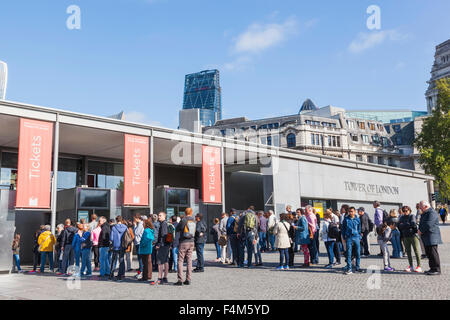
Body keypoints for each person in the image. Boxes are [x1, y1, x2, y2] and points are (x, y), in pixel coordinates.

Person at [418, 200, 442, 275]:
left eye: (421, 207)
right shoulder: (425, 213)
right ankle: (432, 268)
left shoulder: (432, 212)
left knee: (433, 253)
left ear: (425, 206)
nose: (420, 209)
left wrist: (421, 230)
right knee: (429, 253)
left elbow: (429, 224)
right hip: (426, 236)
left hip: (432, 236)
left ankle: (437, 269)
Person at [174, 208, 196, 286]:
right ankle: (188, 279)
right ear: (191, 212)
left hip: (183, 242)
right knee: (189, 260)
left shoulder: (183, 220)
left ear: (185, 212)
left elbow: (177, 229)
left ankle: (180, 280)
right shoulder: (194, 220)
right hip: (192, 241)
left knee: (180, 260)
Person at [398, 205, 423, 273]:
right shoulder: (402, 217)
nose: (405, 212)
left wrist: (404, 225)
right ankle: (411, 266)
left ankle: (419, 266)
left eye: (406, 211)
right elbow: (399, 225)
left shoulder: (412, 216)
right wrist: (406, 225)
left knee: (416, 251)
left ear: (409, 210)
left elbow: (413, 224)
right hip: (405, 236)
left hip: (413, 235)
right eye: (403, 211)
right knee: (408, 252)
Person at [151, 212, 170, 285]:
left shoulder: (163, 224)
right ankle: (165, 277)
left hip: (163, 245)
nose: (159, 217)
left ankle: (160, 278)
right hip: (166, 245)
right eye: (158, 215)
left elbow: (163, 235)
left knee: (160, 262)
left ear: (164, 216)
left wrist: (159, 244)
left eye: (160, 215)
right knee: (165, 261)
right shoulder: (165, 223)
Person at [342, 207, 362, 274]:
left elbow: (359, 229)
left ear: (354, 212)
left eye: (352, 211)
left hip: (356, 237)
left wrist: (359, 237)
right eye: (349, 211)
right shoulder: (346, 219)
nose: (351, 213)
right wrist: (344, 237)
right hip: (349, 237)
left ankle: (357, 268)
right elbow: (343, 229)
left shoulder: (357, 219)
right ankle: (349, 268)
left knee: (358, 253)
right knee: (349, 253)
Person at [109, 216, 128, 281]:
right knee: (121, 260)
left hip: (115, 246)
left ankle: (111, 274)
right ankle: (121, 274)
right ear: (122, 220)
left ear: (116, 220)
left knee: (114, 260)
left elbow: (111, 238)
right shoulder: (125, 227)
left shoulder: (114, 227)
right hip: (122, 246)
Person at [133, 214, 144, 278]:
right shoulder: (140, 224)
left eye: (134, 219)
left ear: (137, 218)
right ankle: (140, 271)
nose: (134, 220)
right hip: (138, 242)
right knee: (140, 258)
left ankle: (141, 272)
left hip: (139, 242)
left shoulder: (140, 224)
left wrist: (134, 226)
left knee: (140, 258)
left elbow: (136, 233)